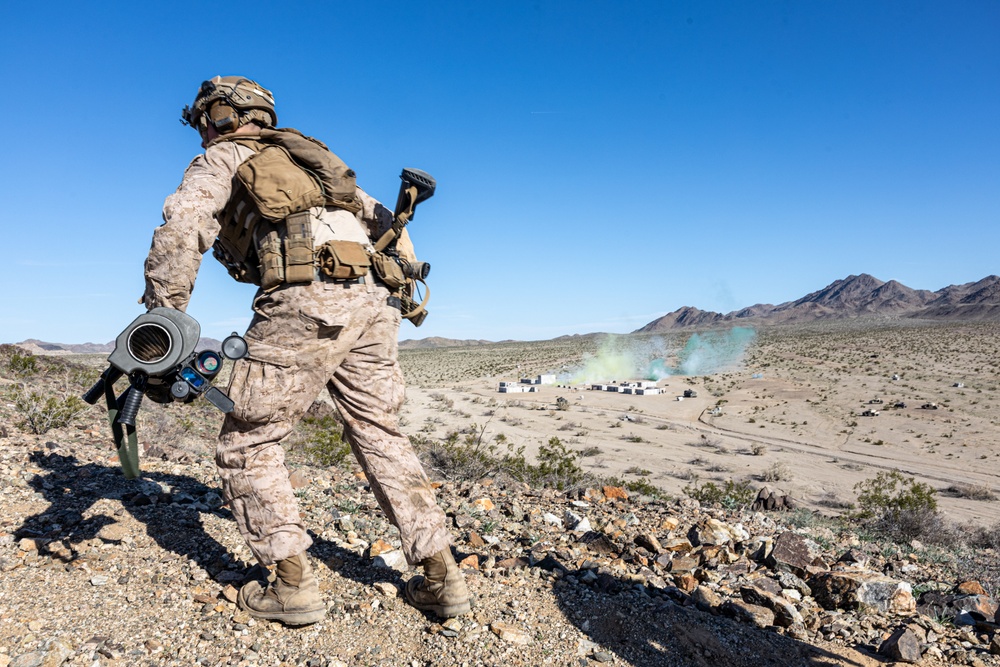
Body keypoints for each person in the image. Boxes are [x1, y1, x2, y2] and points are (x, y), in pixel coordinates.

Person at [141, 76, 469, 625]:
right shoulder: (315, 163)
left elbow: (181, 231)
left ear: (219, 116)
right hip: (376, 303)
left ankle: (291, 587)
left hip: (307, 301)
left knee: (249, 436)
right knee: (379, 431)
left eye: (202, 119)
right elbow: (393, 232)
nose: (200, 130)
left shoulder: (223, 159)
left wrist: (162, 320)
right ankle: (442, 578)